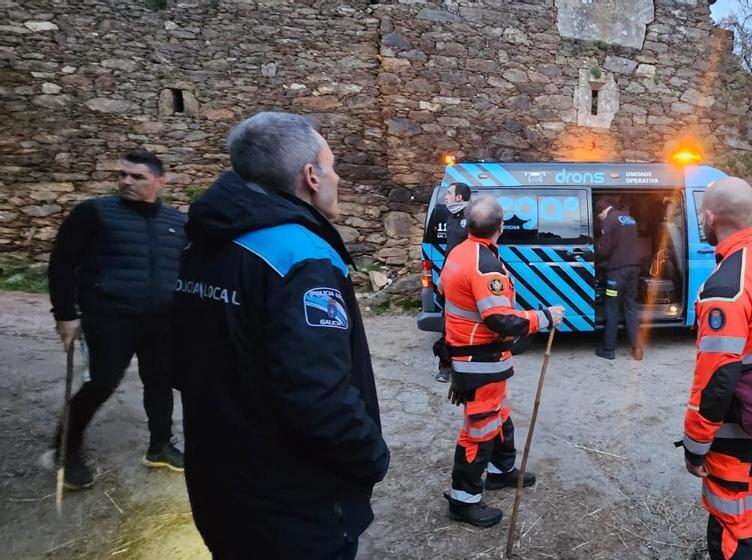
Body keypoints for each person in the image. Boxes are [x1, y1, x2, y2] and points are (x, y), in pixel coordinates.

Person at [171, 112, 389, 558]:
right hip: (294, 507)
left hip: (220, 486)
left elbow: (179, 362)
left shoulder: (202, 243)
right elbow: (319, 399)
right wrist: (372, 456)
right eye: (331, 166)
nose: (338, 177)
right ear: (310, 176)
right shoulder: (301, 257)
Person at [45, 149, 186, 489]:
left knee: (160, 382)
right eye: (122, 175)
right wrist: (65, 314)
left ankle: (160, 446)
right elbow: (62, 262)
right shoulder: (93, 213)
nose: (126, 181)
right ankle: (66, 449)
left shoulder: (177, 222)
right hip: (110, 319)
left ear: (160, 182)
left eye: (138, 177)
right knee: (101, 383)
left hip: (162, 321)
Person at [679, 177, 752, 560]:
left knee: (732, 528)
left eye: (701, 214)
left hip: (738, 431)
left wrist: (695, 446)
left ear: (711, 217)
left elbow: (717, 378)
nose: (701, 219)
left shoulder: (725, 285)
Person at [439, 196, 563, 528]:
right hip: (480, 360)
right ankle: (463, 500)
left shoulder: (459, 253)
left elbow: (445, 297)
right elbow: (501, 320)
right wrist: (544, 317)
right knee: (478, 431)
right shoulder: (484, 264)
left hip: (474, 357)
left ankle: (500, 471)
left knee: (499, 417)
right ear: (501, 226)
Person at [433, 182, 472, 383]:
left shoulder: (472, 217)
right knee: (447, 324)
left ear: (459, 197)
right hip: (450, 279)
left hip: (467, 282)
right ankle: (445, 367)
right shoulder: (451, 216)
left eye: (449, 193)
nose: (445, 197)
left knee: (466, 325)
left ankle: (466, 367)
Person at [594, 197, 643, 360]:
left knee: (612, 307)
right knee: (630, 306)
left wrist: (597, 255)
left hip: (617, 272)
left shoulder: (609, 221)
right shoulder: (629, 218)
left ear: (603, 211)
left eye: (599, 216)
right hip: (634, 269)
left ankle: (608, 350)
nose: (600, 219)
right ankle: (637, 348)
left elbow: (604, 249)